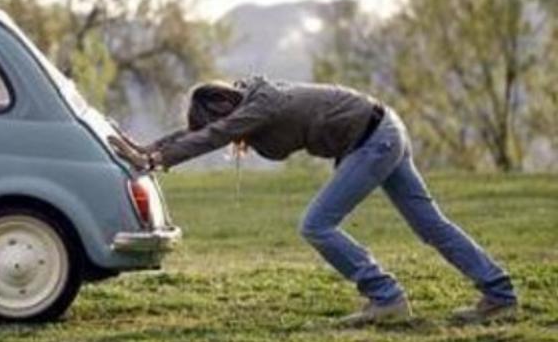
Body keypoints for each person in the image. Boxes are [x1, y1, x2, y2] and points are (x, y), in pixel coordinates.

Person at [108, 77, 518, 326]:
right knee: (430, 225)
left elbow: (212, 135)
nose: (230, 137)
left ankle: (386, 297)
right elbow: (200, 134)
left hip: (375, 140)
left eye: (221, 125)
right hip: (383, 131)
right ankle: (499, 294)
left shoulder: (261, 105)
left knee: (316, 224)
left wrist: (156, 160)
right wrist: (143, 148)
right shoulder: (253, 101)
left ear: (222, 109)